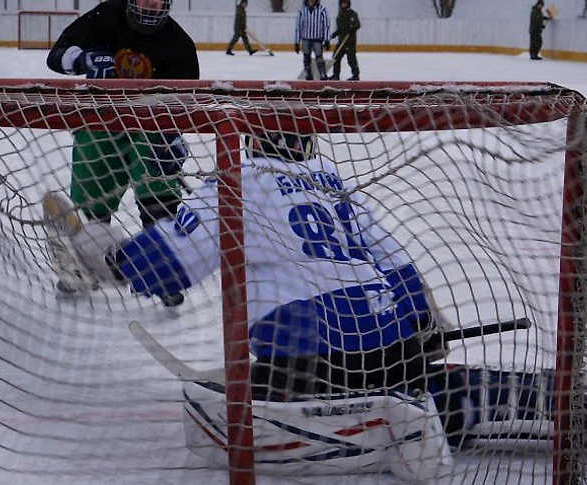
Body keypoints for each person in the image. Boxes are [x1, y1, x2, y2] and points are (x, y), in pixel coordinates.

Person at [42, 131, 558, 479]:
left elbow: (165, 268)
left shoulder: (234, 180)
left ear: (248, 136)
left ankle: (392, 413)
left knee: (226, 398)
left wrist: (107, 254)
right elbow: (400, 267)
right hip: (397, 339)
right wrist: (425, 324)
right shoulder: (332, 181)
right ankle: (446, 394)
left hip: (315, 357)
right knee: (409, 370)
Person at [45, 0, 199, 306]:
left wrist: (173, 136)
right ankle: (84, 264)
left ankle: (161, 269)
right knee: (91, 194)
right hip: (100, 118)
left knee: (158, 194)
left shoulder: (178, 44)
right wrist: (84, 60)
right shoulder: (105, 16)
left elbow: (187, 99)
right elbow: (56, 56)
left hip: (150, 124)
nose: (150, 5)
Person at [294, 0, 330, 80]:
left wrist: (327, 39)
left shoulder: (322, 9)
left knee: (319, 57)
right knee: (306, 57)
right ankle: (308, 73)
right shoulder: (302, 10)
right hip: (306, 38)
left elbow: (326, 26)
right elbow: (298, 27)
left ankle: (322, 73)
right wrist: (297, 42)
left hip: (317, 38)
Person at [330, 0, 361, 81]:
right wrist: (335, 34)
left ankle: (355, 75)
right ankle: (335, 75)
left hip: (349, 41)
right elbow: (340, 28)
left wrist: (352, 29)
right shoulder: (340, 14)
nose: (344, 4)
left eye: (346, 3)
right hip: (341, 41)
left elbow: (357, 25)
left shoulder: (352, 14)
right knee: (335, 57)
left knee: (351, 59)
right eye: (343, 3)